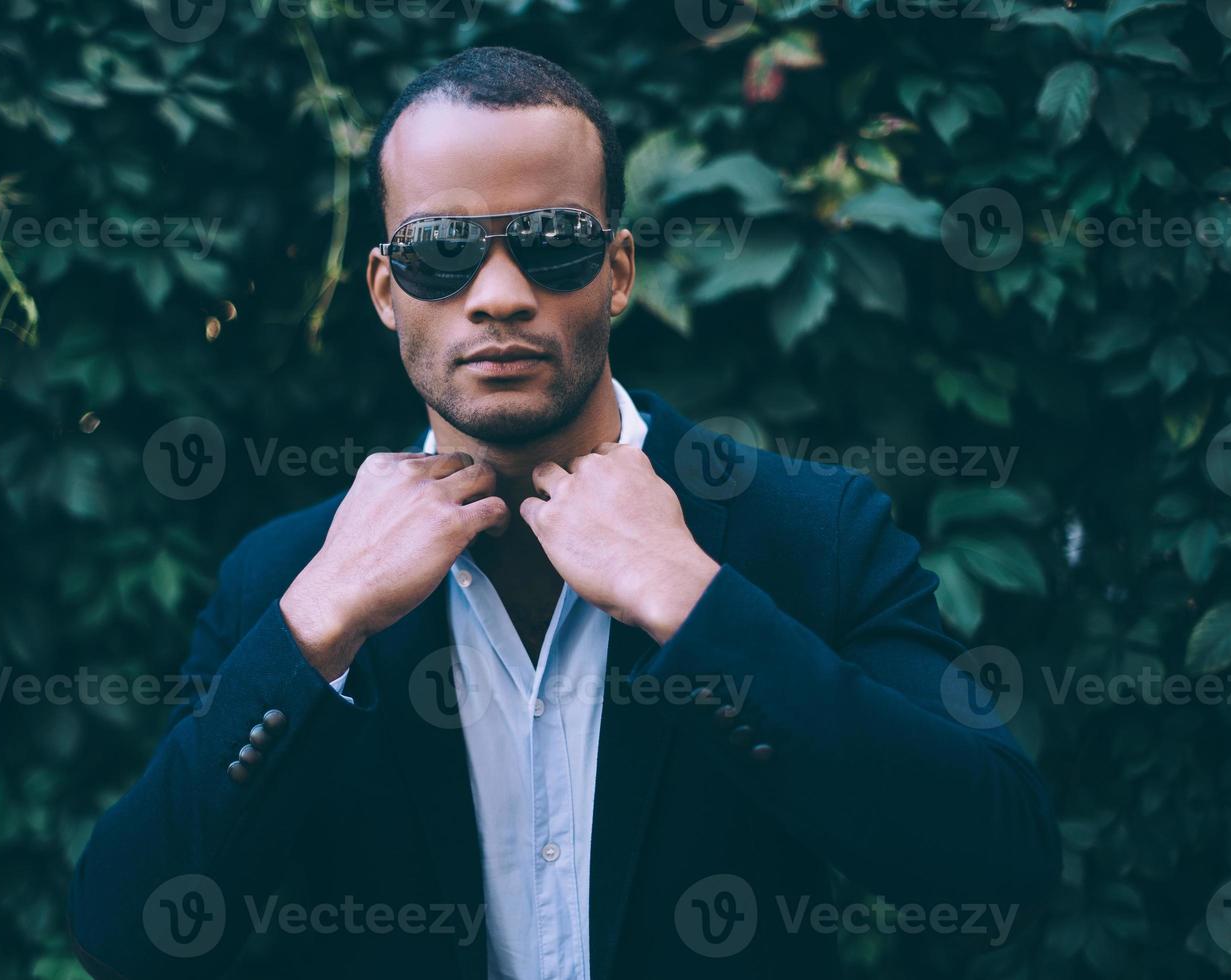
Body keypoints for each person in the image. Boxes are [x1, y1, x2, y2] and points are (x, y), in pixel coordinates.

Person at [68, 46, 1059, 980]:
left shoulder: (805, 531)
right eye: (440, 252)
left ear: (617, 271)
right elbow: (127, 934)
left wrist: (691, 598)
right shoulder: (285, 575)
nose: (497, 294)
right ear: (383, 287)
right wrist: (317, 622)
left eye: (550, 245)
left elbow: (999, 865)